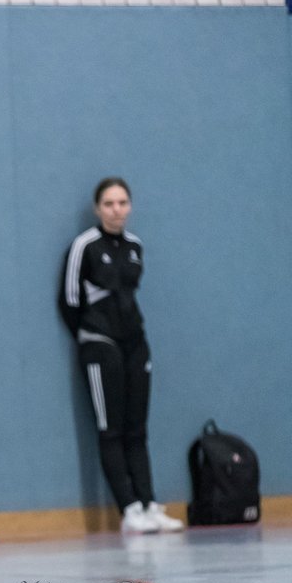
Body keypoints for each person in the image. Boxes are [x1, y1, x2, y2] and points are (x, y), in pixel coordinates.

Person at [59, 177, 183, 534]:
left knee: (136, 428)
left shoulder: (135, 246)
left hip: (134, 342)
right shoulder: (84, 246)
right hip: (100, 344)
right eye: (109, 204)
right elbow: (69, 300)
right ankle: (128, 509)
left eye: (123, 203)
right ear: (98, 209)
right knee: (109, 429)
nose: (117, 210)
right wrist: (90, 335)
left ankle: (148, 503)